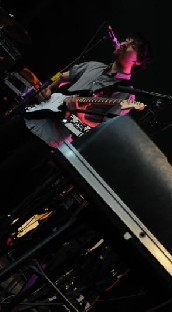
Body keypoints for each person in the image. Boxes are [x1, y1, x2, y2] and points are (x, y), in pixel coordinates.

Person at [0, 32, 152, 219]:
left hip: (47, 139)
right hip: (31, 115)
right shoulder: (93, 65)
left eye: (131, 45)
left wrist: (76, 112)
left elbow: (96, 133)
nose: (123, 43)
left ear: (138, 61)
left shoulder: (125, 95)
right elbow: (63, 77)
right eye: (125, 40)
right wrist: (48, 87)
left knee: (6, 172)